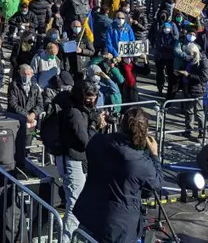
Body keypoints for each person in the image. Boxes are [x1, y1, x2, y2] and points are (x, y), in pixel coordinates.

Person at [74, 107, 162, 243]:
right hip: (118, 227)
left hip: (90, 216)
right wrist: (155, 155)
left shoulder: (98, 142)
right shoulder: (139, 162)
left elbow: (90, 142)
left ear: (121, 126)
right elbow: (156, 183)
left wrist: (94, 126)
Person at [48, 81, 103, 238]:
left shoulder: (79, 109)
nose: (92, 101)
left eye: (94, 97)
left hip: (76, 160)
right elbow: (84, 141)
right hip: (72, 160)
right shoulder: (74, 112)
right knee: (74, 204)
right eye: (89, 97)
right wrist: (94, 126)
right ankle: (66, 238)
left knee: (77, 202)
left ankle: (72, 236)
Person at [177, 42, 208, 138]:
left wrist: (188, 75)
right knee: (188, 111)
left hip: (198, 89)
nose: (188, 54)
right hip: (187, 87)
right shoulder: (189, 60)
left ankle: (202, 132)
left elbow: (204, 78)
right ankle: (188, 130)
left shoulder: (204, 61)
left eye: (189, 52)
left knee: (199, 112)